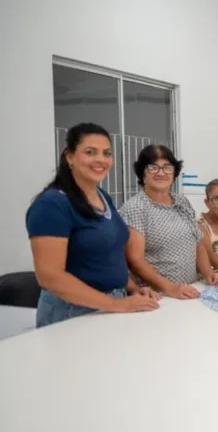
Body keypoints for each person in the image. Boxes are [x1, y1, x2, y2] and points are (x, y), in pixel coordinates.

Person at [26, 123, 159, 327]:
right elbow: (50, 276)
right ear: (69, 156)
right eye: (90, 152)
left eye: (107, 153)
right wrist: (117, 304)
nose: (101, 160)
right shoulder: (52, 204)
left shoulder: (102, 197)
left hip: (109, 305)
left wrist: (132, 289)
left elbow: (110, 255)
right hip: (72, 312)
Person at [121, 144, 218, 298]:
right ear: (142, 173)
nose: (161, 173)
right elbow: (135, 260)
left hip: (191, 289)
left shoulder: (181, 201)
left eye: (167, 167)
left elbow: (199, 244)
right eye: (153, 167)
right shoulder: (135, 207)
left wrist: (208, 274)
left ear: (174, 172)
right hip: (158, 296)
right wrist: (170, 288)